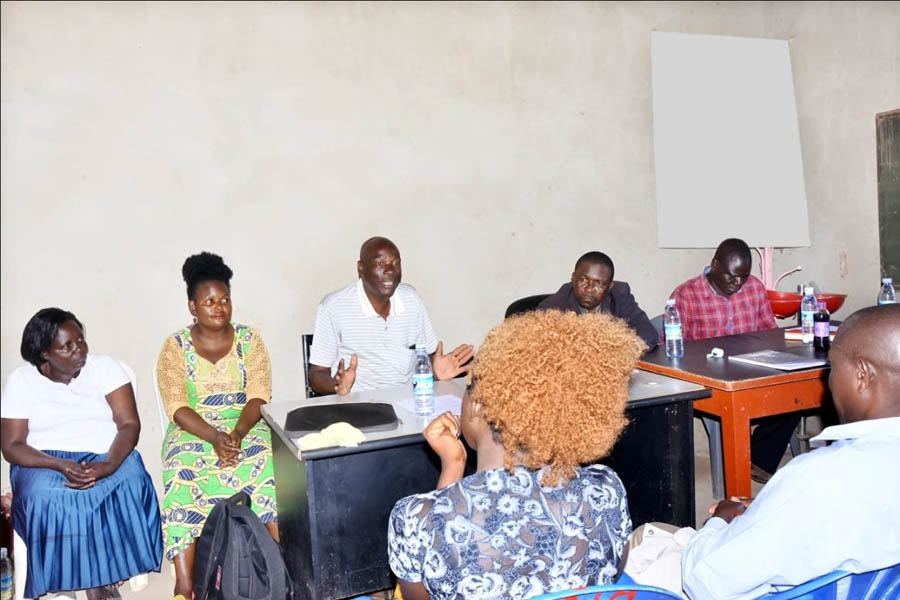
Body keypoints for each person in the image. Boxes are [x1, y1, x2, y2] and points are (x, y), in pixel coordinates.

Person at [388, 310, 645, 600]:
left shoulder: (416, 516)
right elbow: (612, 575)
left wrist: (452, 466)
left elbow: (424, 592)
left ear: (475, 406)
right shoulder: (604, 489)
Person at [679, 305, 900, 600]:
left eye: (832, 367)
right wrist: (771, 504)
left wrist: (720, 520)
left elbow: (704, 581)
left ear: (862, 375)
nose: (828, 380)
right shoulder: (823, 482)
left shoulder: (818, 476)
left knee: (653, 541)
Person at [0, 308, 162, 600]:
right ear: (44, 354)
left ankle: (99, 581)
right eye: (67, 346)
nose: (80, 350)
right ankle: (63, 581)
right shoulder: (21, 381)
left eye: (81, 340)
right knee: (44, 495)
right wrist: (60, 464)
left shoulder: (105, 368)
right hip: (44, 459)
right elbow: (12, 446)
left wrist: (108, 464)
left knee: (131, 478)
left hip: (106, 452)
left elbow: (128, 425)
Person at [156, 252, 278, 600]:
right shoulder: (175, 347)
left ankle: (281, 565)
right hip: (194, 428)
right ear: (192, 306)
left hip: (246, 423)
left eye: (224, 299)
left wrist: (236, 435)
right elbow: (177, 406)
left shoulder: (249, 340)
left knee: (269, 468)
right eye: (209, 301)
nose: (219, 307)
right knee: (182, 472)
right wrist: (214, 437)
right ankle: (184, 585)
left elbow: (259, 395)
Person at [669, 238, 790, 483]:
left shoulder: (754, 288)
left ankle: (758, 460)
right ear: (714, 265)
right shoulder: (687, 294)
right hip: (711, 377)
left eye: (743, 277)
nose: (737, 284)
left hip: (754, 368)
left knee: (795, 393)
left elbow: (770, 332)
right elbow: (674, 351)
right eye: (731, 277)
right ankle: (744, 463)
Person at [308, 236, 473, 395]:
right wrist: (336, 385)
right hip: (357, 404)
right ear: (361, 268)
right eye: (380, 263)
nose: (390, 270)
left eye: (396, 263)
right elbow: (317, 374)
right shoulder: (334, 306)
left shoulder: (411, 299)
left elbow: (428, 357)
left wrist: (436, 373)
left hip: (407, 399)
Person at [538, 251, 659, 350]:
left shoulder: (619, 294)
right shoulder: (553, 307)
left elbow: (647, 332)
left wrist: (621, 347)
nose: (589, 289)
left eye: (599, 284)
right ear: (573, 278)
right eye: (583, 280)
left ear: (610, 286)